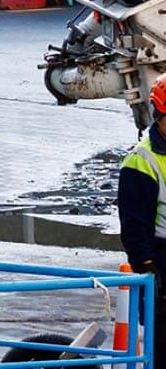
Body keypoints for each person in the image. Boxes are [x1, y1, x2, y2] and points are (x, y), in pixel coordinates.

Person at [118, 75, 166, 366]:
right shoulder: (141, 161)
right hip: (162, 263)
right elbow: (135, 231)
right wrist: (150, 272)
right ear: (160, 115)